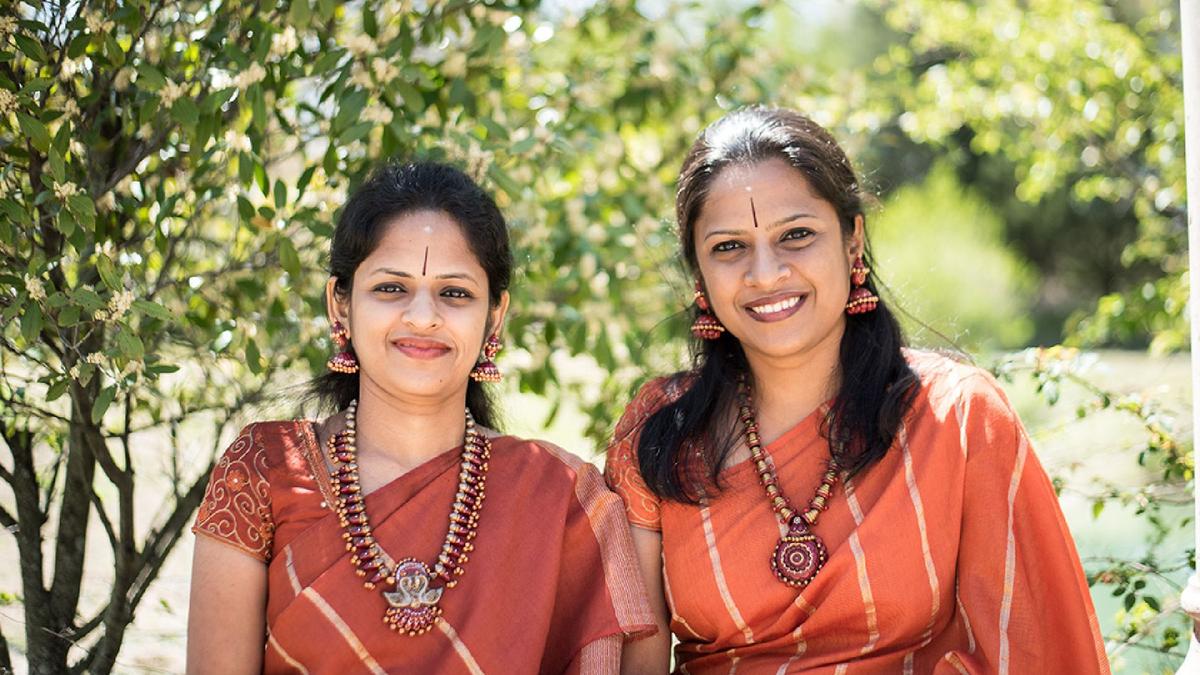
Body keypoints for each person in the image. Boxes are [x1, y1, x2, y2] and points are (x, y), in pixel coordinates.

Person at [604, 107, 1110, 674]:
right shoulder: (660, 430)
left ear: (852, 240)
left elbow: (1038, 645)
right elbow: (635, 662)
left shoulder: (959, 418)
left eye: (796, 235)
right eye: (729, 247)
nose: (765, 274)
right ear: (698, 272)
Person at [187, 162, 654, 674]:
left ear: (495, 315)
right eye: (391, 288)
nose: (423, 316)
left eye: (455, 293)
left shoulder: (561, 497)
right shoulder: (261, 472)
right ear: (339, 304)